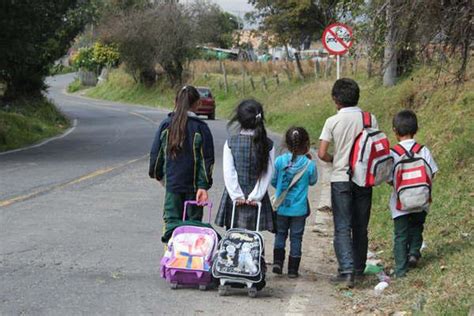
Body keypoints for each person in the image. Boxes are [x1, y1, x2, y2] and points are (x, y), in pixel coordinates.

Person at [318, 78, 378, 288]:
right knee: (360, 226)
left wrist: (336, 159)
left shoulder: (332, 121)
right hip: (364, 179)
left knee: (342, 227)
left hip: (341, 179)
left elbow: (322, 153)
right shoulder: (370, 119)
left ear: (336, 100)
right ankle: (359, 268)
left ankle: (346, 272)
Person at [149, 85, 214, 242]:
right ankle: (191, 262)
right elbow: (207, 160)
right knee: (193, 227)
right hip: (194, 189)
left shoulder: (166, 125)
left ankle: (172, 260)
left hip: (173, 186)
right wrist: (203, 186)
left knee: (172, 225)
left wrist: (158, 175)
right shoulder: (201, 128)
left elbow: (156, 155)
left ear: (175, 102)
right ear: (197, 103)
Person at [389, 110, 438, 277]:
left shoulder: (393, 153)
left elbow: (389, 178)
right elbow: (432, 172)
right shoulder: (423, 150)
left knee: (401, 234)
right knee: (417, 227)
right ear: (416, 129)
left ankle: (401, 270)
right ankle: (414, 253)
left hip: (400, 204)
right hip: (422, 200)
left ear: (395, 131)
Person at [215, 99, 275, 232]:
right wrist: (256, 195)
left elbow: (229, 172)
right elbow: (267, 173)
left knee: (233, 237)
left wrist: (237, 196)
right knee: (253, 238)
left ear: (239, 119)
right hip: (257, 200)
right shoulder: (268, 144)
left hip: (234, 200)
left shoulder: (231, 143)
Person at [271, 127, 317, 278]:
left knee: (280, 235)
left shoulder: (279, 161)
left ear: (286, 143)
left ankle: (277, 263)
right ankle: (292, 270)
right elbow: (313, 181)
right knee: (296, 238)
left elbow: (273, 180)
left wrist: (281, 187)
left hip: (281, 207)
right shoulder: (309, 165)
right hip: (299, 210)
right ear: (306, 144)